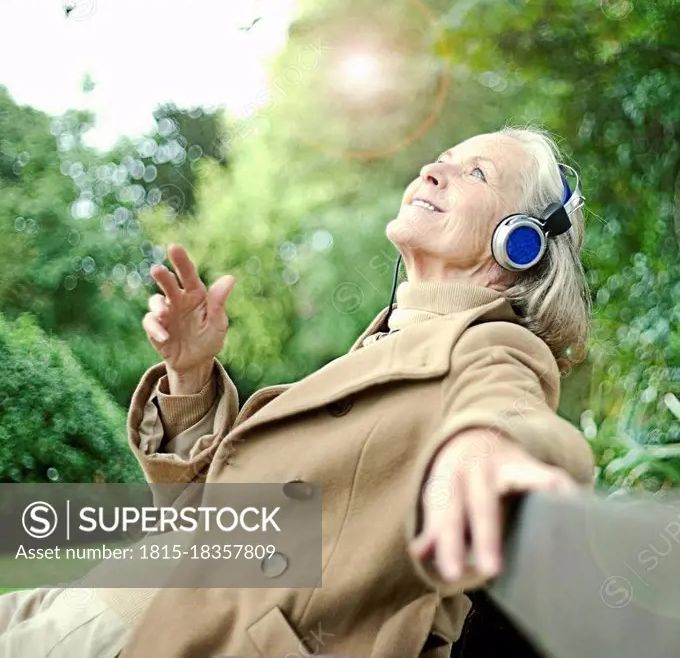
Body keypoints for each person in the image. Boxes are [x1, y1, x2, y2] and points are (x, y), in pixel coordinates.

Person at [0, 125, 595, 658]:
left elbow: (511, 403)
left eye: (477, 173)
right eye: (440, 159)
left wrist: (484, 444)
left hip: (168, 635)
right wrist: (191, 374)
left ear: (520, 244)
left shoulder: (491, 346)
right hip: (123, 598)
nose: (431, 171)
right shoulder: (386, 345)